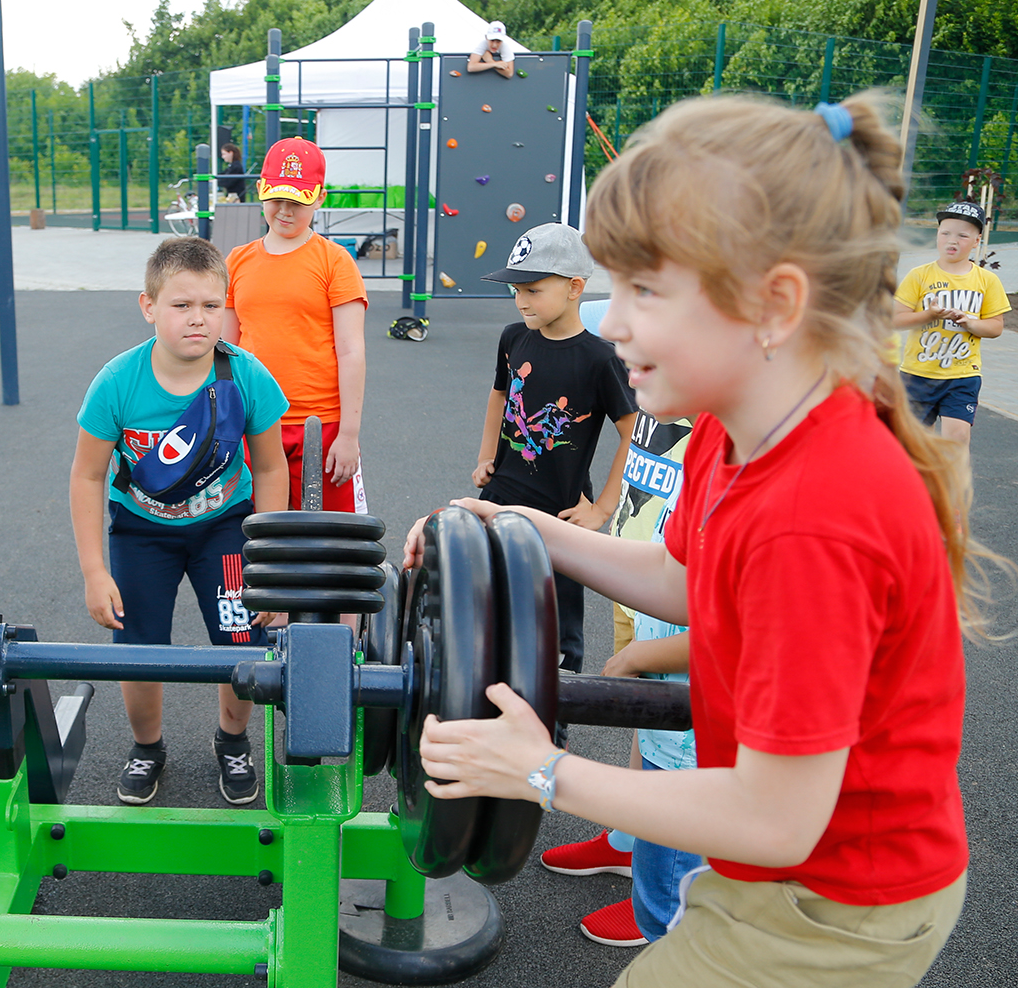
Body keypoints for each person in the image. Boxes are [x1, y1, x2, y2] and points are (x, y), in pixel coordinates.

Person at [411, 94, 982, 986]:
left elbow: (773, 817)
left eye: (645, 291)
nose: (613, 322)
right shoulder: (732, 427)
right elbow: (682, 578)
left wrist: (542, 773)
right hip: (782, 869)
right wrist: (519, 526)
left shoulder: (816, 512)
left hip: (839, 902)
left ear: (774, 305)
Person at [70, 236, 289, 807]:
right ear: (149, 307)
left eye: (211, 306)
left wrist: (271, 566)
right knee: (139, 648)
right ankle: (148, 748)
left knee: (242, 642)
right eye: (181, 305)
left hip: (226, 526)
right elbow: (88, 476)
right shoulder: (117, 383)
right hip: (142, 531)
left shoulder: (245, 376)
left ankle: (233, 740)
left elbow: (270, 467)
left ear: (226, 308)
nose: (198, 319)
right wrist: (95, 572)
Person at [539, 409, 699, 949]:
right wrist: (511, 519)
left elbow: (747, 632)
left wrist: (536, 771)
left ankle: (666, 908)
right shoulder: (717, 444)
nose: (619, 332)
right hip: (658, 605)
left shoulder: (772, 466)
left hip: (700, 703)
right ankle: (633, 841)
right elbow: (670, 573)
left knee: (676, 811)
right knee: (655, 743)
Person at [471, 222, 636, 673]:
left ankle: (558, 708)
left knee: (556, 619)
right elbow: (500, 395)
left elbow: (631, 430)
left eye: (533, 289)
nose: (521, 300)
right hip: (501, 493)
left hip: (560, 511)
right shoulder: (514, 337)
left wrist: (602, 508)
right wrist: (487, 455)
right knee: (488, 599)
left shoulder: (600, 359)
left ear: (575, 288)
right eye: (515, 290)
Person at [223, 137, 369, 514]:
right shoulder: (237, 262)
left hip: (320, 426)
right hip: (254, 423)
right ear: (260, 191)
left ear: (320, 197)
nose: (285, 211)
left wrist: (349, 434)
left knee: (329, 547)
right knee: (258, 541)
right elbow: (225, 351)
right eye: (277, 199)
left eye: (298, 202)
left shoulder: (335, 261)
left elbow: (351, 350)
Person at [893, 200, 1007, 462]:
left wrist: (971, 323)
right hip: (917, 375)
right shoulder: (919, 276)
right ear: (937, 235)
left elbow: (996, 327)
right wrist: (929, 315)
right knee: (916, 444)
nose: (951, 240)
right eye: (945, 233)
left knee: (957, 439)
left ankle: (953, 500)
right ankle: (920, 498)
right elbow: (896, 320)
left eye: (962, 235)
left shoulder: (987, 280)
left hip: (963, 375)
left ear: (976, 241)